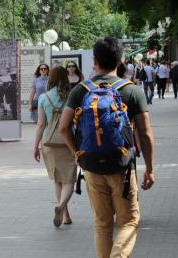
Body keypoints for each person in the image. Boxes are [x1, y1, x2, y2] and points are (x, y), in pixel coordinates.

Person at [59, 37, 155, 258]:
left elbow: (64, 128)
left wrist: (77, 154)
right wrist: (149, 168)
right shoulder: (131, 90)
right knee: (129, 221)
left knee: (102, 225)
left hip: (92, 166)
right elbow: (146, 133)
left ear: (94, 61)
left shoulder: (81, 90)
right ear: (121, 61)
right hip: (122, 166)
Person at [34, 66, 76, 228]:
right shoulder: (72, 97)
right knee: (69, 180)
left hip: (49, 142)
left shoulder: (44, 98)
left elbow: (40, 124)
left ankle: (65, 215)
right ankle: (61, 207)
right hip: (68, 142)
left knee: (57, 180)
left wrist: (35, 146)